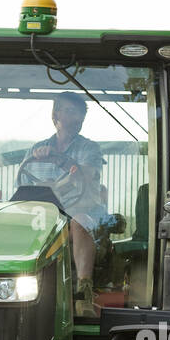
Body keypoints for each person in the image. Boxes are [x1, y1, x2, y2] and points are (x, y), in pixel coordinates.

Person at [19, 92, 107, 317]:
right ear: (55, 114)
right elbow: (23, 187)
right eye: (69, 111)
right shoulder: (35, 150)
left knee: (80, 222)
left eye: (79, 113)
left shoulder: (89, 149)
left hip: (80, 210)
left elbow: (87, 177)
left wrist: (60, 160)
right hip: (45, 214)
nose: (75, 118)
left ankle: (84, 292)